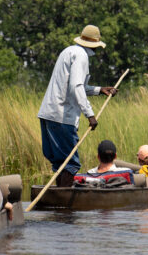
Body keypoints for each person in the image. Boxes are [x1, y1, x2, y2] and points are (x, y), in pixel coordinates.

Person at [37, 25, 118, 186]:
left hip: (48, 114)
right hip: (62, 116)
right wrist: (90, 114)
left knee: (60, 163)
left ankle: (59, 204)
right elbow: (76, 87)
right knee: (71, 163)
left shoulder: (68, 51)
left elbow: (74, 85)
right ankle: (65, 204)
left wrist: (99, 90)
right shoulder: (81, 56)